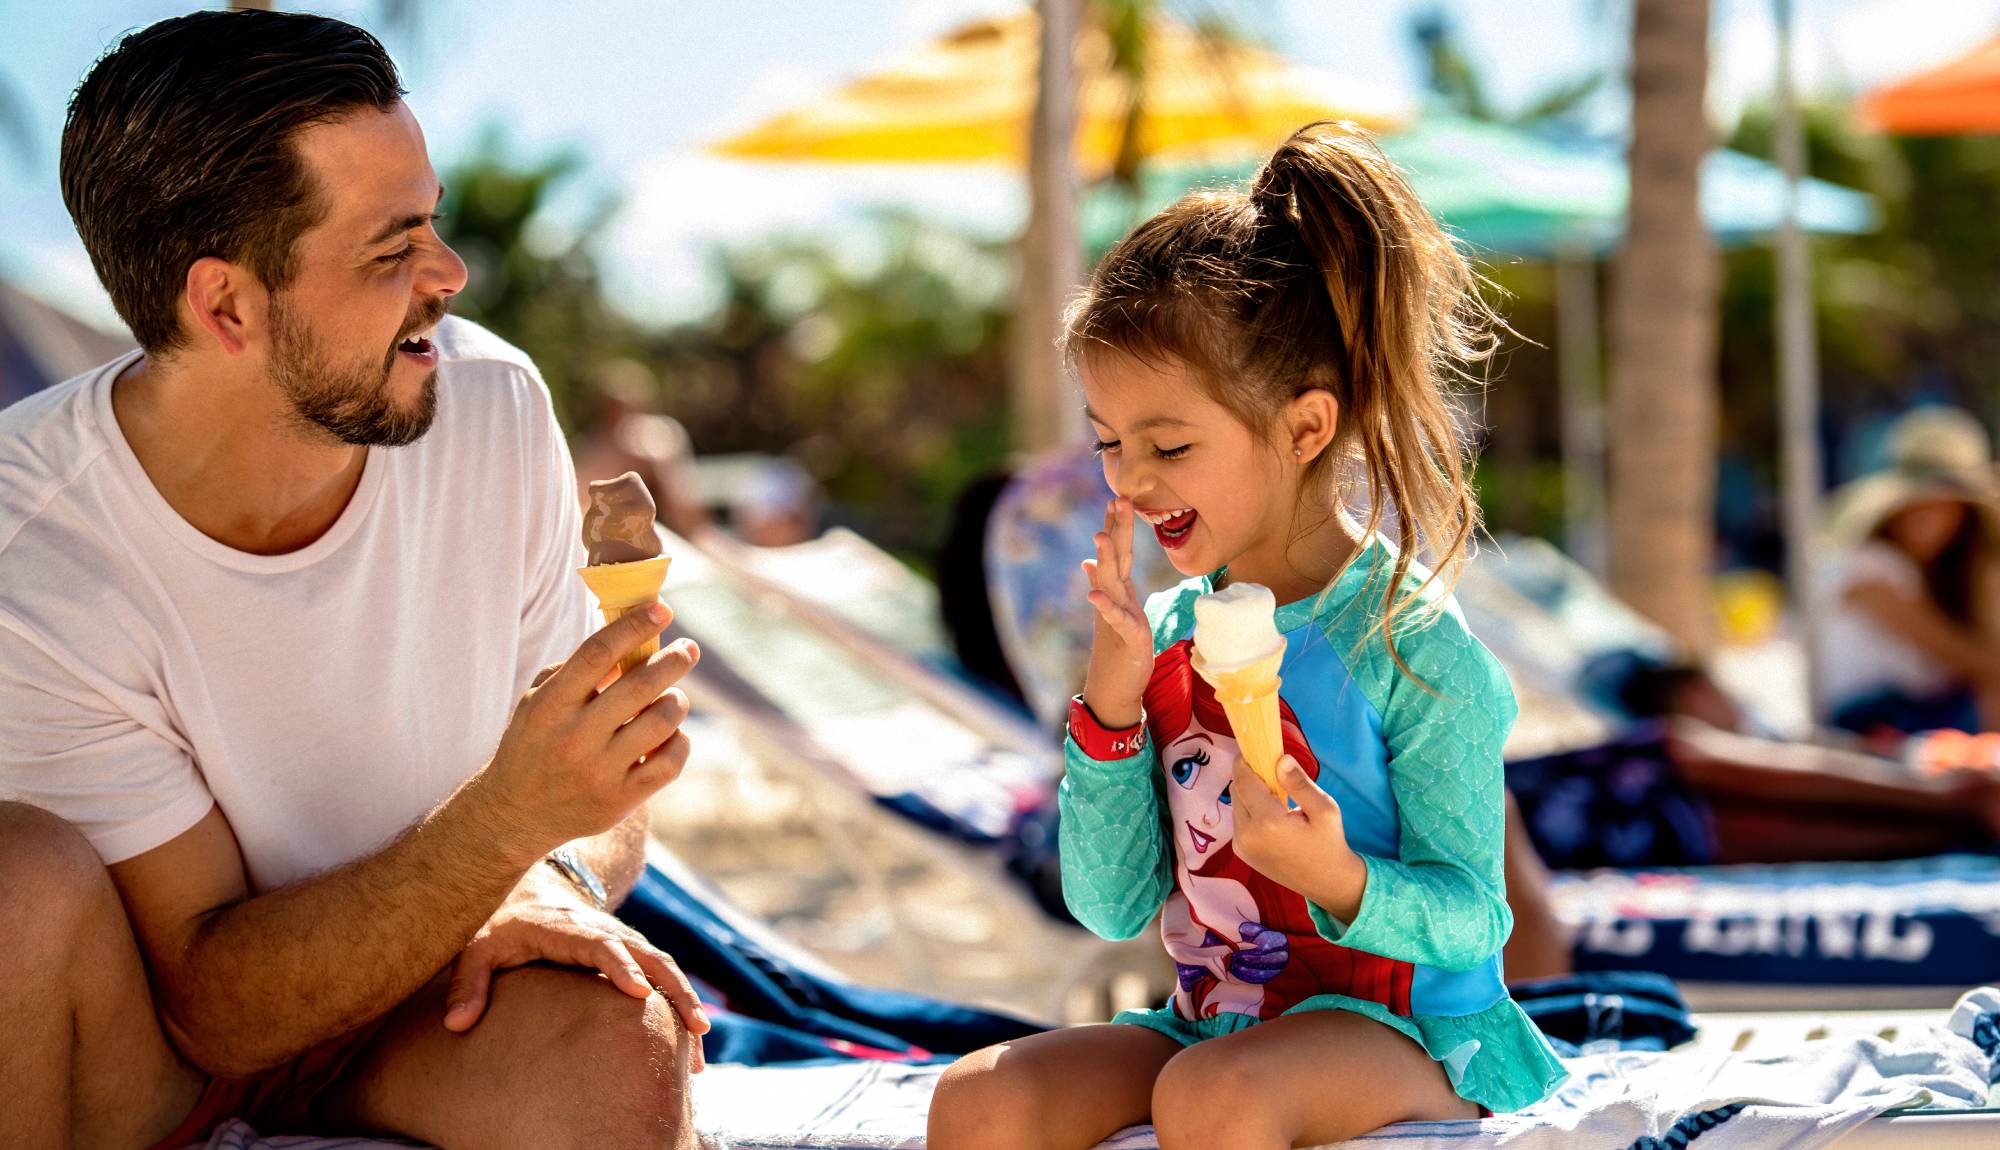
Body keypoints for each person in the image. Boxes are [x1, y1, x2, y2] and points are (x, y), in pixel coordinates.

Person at [0, 12, 707, 1148]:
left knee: (625, 1037)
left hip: (426, 995)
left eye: (434, 224)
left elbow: (598, 784)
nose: (450, 275)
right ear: (226, 305)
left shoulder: (491, 405)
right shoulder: (31, 553)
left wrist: (551, 868)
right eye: (392, 250)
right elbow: (213, 1009)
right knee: (13, 889)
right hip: (147, 1056)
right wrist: (495, 834)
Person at [927, 122, 1565, 1150]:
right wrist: (1111, 711)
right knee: (980, 1097)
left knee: (1214, 1097)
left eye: (1168, 444)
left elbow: (1477, 921)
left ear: (1306, 427)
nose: (1128, 480)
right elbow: (1106, 904)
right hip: (1216, 1020)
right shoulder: (1166, 633)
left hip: (1408, 1036)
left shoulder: (1411, 649)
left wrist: (1337, 878)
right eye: (1108, 444)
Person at [1816, 406, 2000, 742]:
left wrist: (1982, 566)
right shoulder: (1868, 566)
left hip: (1917, 710)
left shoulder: (1933, 573)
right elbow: (1952, 651)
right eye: (1920, 501)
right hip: (1866, 718)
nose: (1930, 515)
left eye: (1946, 504)